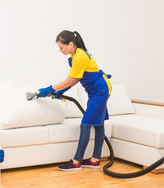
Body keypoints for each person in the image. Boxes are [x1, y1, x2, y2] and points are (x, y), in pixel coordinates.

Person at [37, 30, 112, 171]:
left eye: (61, 47)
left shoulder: (79, 57)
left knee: (85, 125)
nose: (60, 50)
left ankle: (76, 162)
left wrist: (49, 88)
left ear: (70, 44)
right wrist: (61, 91)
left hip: (100, 91)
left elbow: (69, 80)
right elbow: (76, 78)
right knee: (98, 124)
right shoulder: (76, 54)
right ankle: (95, 160)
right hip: (97, 90)